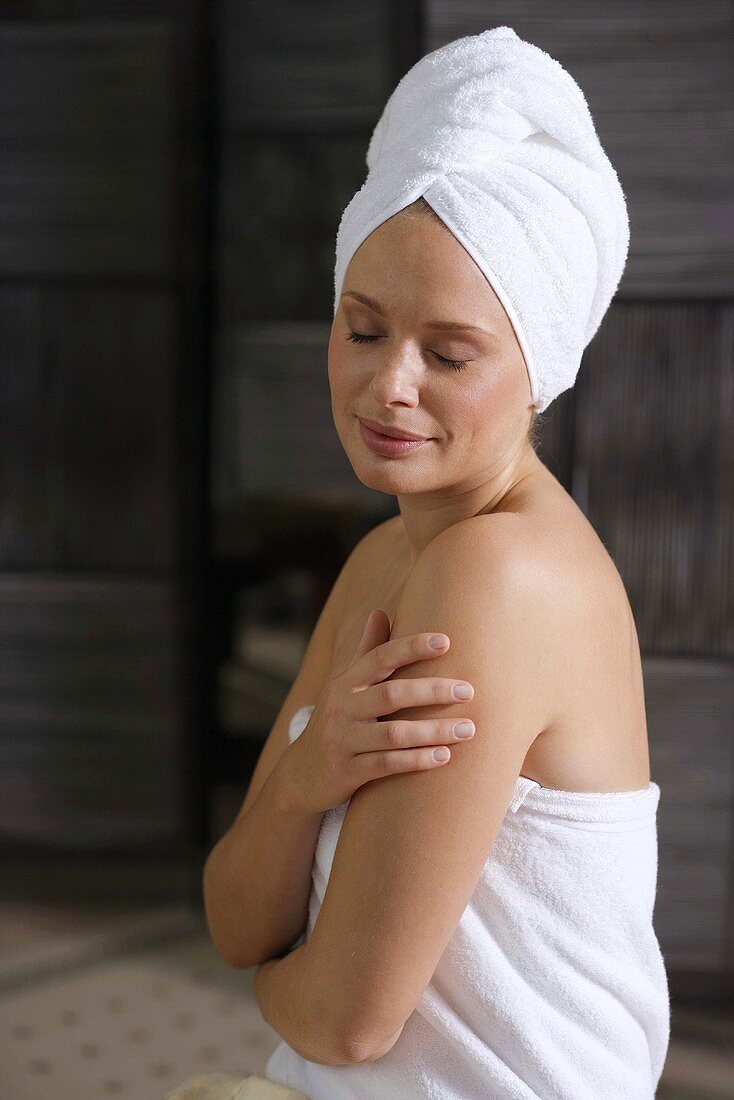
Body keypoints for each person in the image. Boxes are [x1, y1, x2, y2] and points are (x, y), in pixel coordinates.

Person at [205, 26, 670, 1100]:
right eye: (361, 329)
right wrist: (300, 790)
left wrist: (277, 975)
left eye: (448, 353)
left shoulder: (497, 575)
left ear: (537, 373)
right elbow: (234, 911)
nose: (386, 387)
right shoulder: (384, 556)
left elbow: (344, 1015)